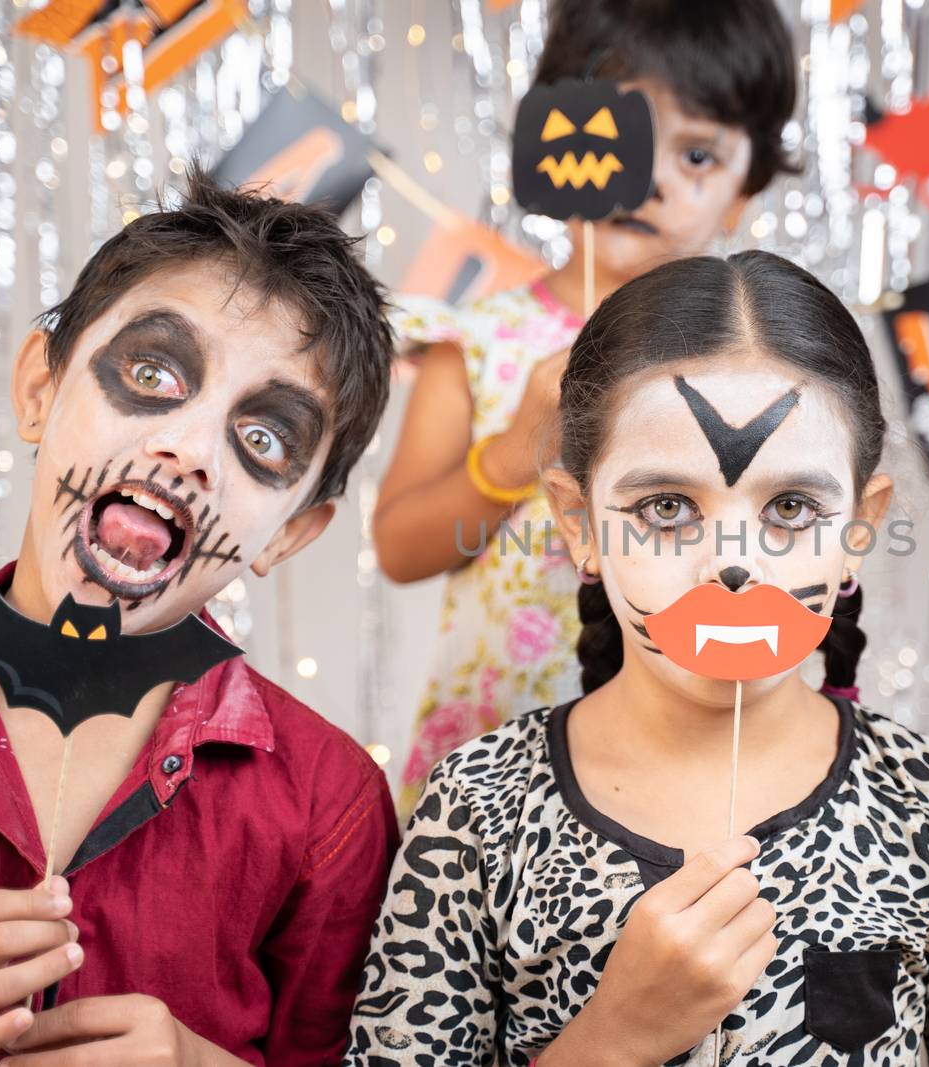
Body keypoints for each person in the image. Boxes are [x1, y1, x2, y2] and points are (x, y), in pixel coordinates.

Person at [349, 252, 929, 1066]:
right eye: (666, 507)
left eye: (790, 507)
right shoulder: (477, 809)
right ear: (579, 522)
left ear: (859, 530)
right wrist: (614, 1038)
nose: (733, 563)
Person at [0, 169, 400, 1066]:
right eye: (154, 370)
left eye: (265, 437)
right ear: (41, 386)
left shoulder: (331, 802)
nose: (189, 448)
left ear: (295, 531)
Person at [373, 0, 800, 814]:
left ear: (745, 189)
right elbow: (400, 547)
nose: (650, 177)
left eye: (698, 153)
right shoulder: (481, 345)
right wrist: (511, 452)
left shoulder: (760, 359)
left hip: (698, 751)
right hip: (501, 749)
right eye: (615, 137)